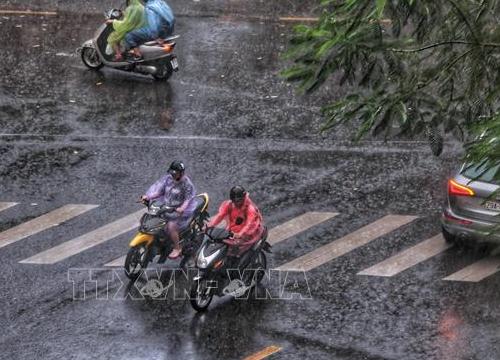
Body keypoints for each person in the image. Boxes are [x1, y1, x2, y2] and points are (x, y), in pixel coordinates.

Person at [141, 161, 196, 259]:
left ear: (181, 173)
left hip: (177, 211)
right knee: (153, 219)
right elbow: (159, 192)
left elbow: (188, 199)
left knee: (171, 226)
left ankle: (177, 248)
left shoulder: (187, 184)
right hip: (166, 208)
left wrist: (182, 208)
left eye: (175, 173)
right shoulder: (168, 179)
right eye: (172, 173)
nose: (173, 175)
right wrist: (148, 197)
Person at [207, 186, 265, 256]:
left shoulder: (250, 209)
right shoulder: (229, 205)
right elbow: (220, 216)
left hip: (247, 234)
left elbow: (249, 224)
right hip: (233, 232)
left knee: (234, 249)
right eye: (235, 201)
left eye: (239, 200)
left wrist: (240, 234)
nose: (237, 203)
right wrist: (210, 225)